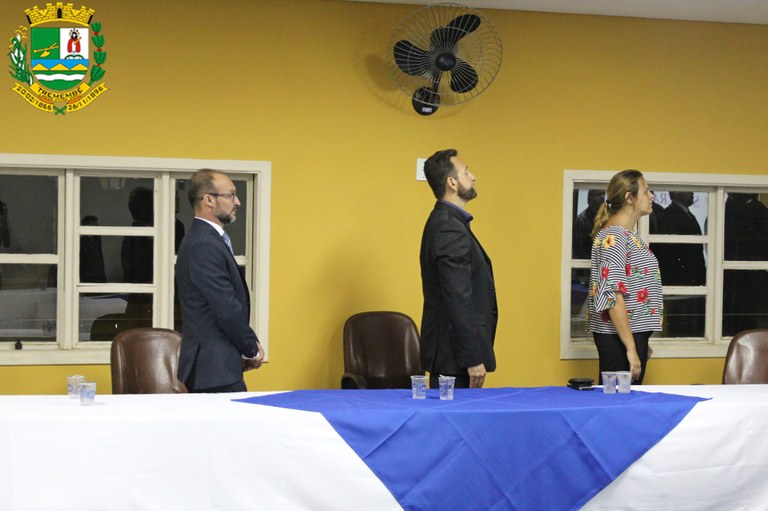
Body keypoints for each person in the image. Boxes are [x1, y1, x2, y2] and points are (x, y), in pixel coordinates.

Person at [175, 169, 263, 392]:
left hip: (217, 366)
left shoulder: (206, 239)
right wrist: (251, 348)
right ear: (209, 200)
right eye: (230, 195)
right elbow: (226, 307)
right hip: (214, 369)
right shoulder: (204, 244)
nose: (237, 202)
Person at [419, 149, 498, 389]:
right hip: (455, 359)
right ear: (451, 183)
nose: (473, 177)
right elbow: (457, 298)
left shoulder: (449, 222)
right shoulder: (449, 228)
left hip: (452, 356)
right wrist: (472, 358)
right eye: (466, 172)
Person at [587, 170, 663, 384]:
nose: (651, 196)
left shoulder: (625, 235)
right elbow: (611, 295)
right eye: (646, 191)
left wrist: (640, 340)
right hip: (618, 339)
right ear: (630, 197)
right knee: (618, 401)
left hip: (627, 335)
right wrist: (630, 347)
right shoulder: (614, 236)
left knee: (625, 399)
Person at [573, 189, 605, 259]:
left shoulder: (606, 218)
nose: (602, 197)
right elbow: (580, 251)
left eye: (603, 194)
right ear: (589, 200)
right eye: (599, 195)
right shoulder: (581, 220)